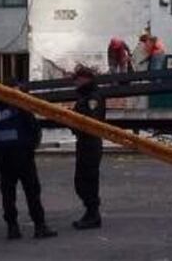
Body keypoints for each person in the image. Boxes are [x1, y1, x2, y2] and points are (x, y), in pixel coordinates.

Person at [0, 90, 57, 240]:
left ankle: (12, 228)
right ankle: (39, 226)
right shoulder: (20, 107)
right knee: (32, 192)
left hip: (4, 159)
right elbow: (34, 129)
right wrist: (30, 148)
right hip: (23, 158)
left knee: (8, 194)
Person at [71, 65, 107, 230]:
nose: (75, 83)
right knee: (81, 180)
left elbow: (90, 121)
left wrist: (75, 123)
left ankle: (93, 214)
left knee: (88, 179)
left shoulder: (93, 98)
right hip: (84, 141)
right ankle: (90, 212)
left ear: (85, 79)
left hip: (90, 142)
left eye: (77, 79)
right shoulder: (85, 96)